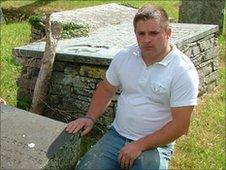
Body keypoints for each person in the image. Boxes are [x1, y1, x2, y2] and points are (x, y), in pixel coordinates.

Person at [66, 5, 199, 170]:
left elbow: (181, 125)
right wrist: (90, 117)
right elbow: (106, 89)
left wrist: (140, 145)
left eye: (154, 33)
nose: (146, 40)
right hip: (117, 134)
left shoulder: (182, 71)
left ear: (168, 32)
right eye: (141, 34)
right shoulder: (124, 57)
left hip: (156, 145)